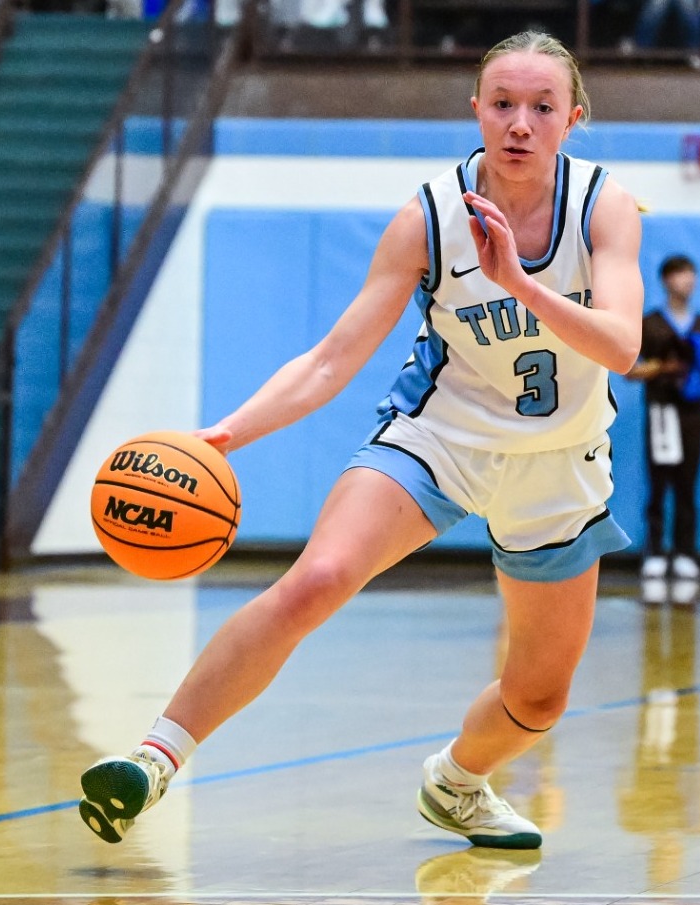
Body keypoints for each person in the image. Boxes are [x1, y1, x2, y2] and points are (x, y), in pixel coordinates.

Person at [76, 31, 644, 851]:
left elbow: (621, 344)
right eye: (503, 104)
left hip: (560, 459)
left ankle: (456, 782)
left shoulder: (602, 205)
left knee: (540, 696)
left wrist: (517, 283)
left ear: (572, 118)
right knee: (318, 578)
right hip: (437, 435)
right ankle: (152, 759)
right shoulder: (428, 217)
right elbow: (331, 358)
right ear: (476, 110)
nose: (520, 123)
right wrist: (230, 431)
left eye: (542, 107)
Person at [629, 254, 700, 582]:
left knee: (687, 482)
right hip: (661, 409)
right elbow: (631, 369)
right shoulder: (649, 323)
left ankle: (685, 551)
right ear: (666, 280)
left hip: (692, 412)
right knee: (659, 481)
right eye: (681, 275)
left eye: (692, 274)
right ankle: (654, 549)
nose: (688, 281)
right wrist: (663, 367)